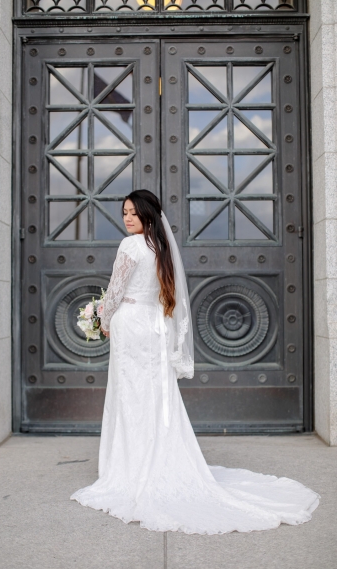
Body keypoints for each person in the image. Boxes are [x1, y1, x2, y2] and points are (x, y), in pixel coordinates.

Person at [71, 190, 319, 534]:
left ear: (147, 215)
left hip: (130, 324)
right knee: (156, 396)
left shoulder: (130, 247)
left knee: (130, 396)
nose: (127, 219)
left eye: (133, 213)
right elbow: (164, 295)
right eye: (125, 213)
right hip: (154, 326)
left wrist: (103, 319)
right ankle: (158, 459)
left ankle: (129, 467)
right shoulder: (162, 248)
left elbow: (114, 291)